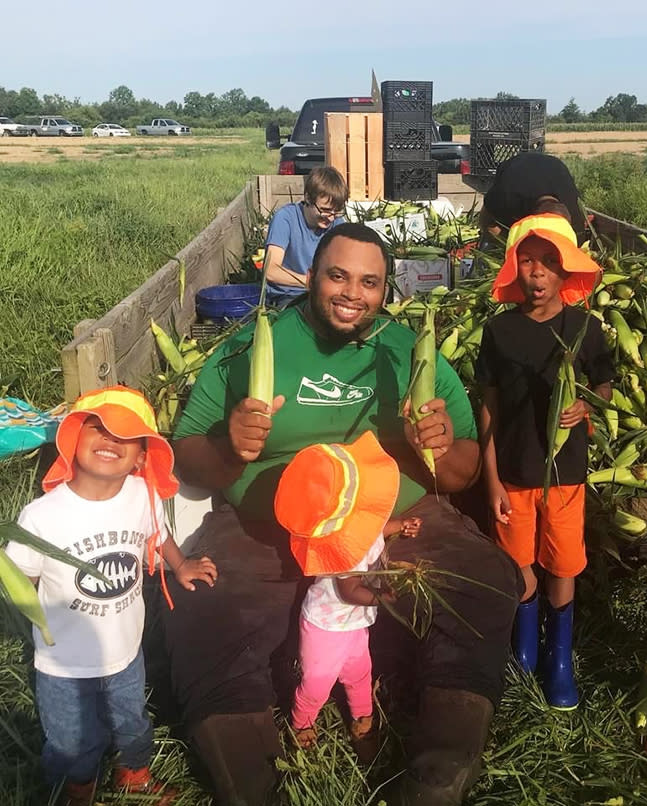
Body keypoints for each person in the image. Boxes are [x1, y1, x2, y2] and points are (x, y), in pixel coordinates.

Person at [164, 221, 522, 806]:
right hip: (268, 523)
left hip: (391, 519)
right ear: (310, 277)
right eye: (337, 275)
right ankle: (253, 786)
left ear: (386, 290)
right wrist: (230, 446)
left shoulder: (408, 352)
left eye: (370, 282)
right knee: (205, 610)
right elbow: (187, 459)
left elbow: (458, 475)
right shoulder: (251, 347)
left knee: (481, 583)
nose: (352, 293)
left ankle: (436, 780)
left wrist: (430, 443)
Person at [3, 387, 218, 806]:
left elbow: (157, 535)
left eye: (126, 436)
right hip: (63, 663)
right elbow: (18, 582)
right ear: (73, 438)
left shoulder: (141, 494)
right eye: (98, 428)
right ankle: (76, 789)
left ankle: (133, 773)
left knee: (132, 720)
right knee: (69, 737)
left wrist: (179, 564)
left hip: (124, 649)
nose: (109, 440)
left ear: (142, 457)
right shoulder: (42, 517)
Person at [475, 211, 614, 709]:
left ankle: (559, 661)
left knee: (563, 563)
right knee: (520, 564)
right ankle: (526, 650)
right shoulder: (499, 332)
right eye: (527, 262)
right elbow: (486, 409)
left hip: (566, 476)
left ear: (565, 271)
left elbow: (603, 384)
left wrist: (588, 404)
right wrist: (489, 479)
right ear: (514, 269)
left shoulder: (585, 328)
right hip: (513, 474)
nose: (536, 274)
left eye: (548, 263)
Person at [274, 430, 421, 758]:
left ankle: (363, 718)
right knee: (317, 682)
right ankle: (301, 722)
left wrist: (398, 525)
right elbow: (350, 589)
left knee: (359, 671)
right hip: (327, 627)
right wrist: (385, 597)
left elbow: (376, 533)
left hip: (354, 625)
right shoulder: (340, 545)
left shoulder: (361, 526)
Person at [263, 165, 348, 304]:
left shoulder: (337, 223)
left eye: (336, 211)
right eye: (325, 210)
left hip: (323, 294)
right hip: (288, 295)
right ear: (308, 198)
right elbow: (271, 271)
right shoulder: (285, 219)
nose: (331, 217)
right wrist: (310, 282)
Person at [479, 152, 588, 240]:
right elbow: (487, 222)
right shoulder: (507, 193)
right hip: (517, 166)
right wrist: (513, 245)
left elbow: (578, 240)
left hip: (553, 166)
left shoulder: (573, 208)